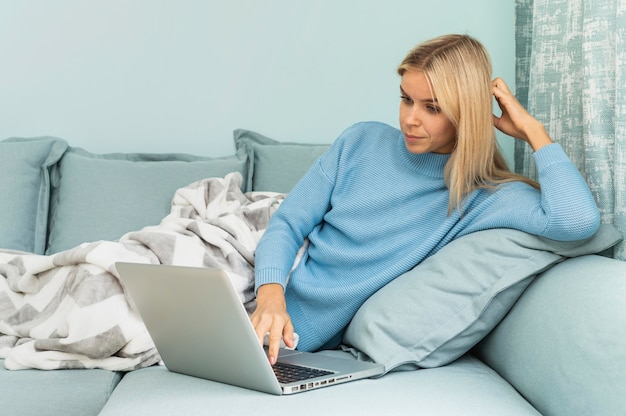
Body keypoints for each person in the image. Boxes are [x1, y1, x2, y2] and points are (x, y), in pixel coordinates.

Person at [250, 34, 601, 365]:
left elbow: (577, 221)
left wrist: (533, 132)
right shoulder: (360, 141)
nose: (409, 119)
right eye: (406, 99)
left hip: (287, 337)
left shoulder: (485, 197)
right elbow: (287, 222)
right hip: (261, 293)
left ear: (467, 113)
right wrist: (270, 295)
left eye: (432, 108)